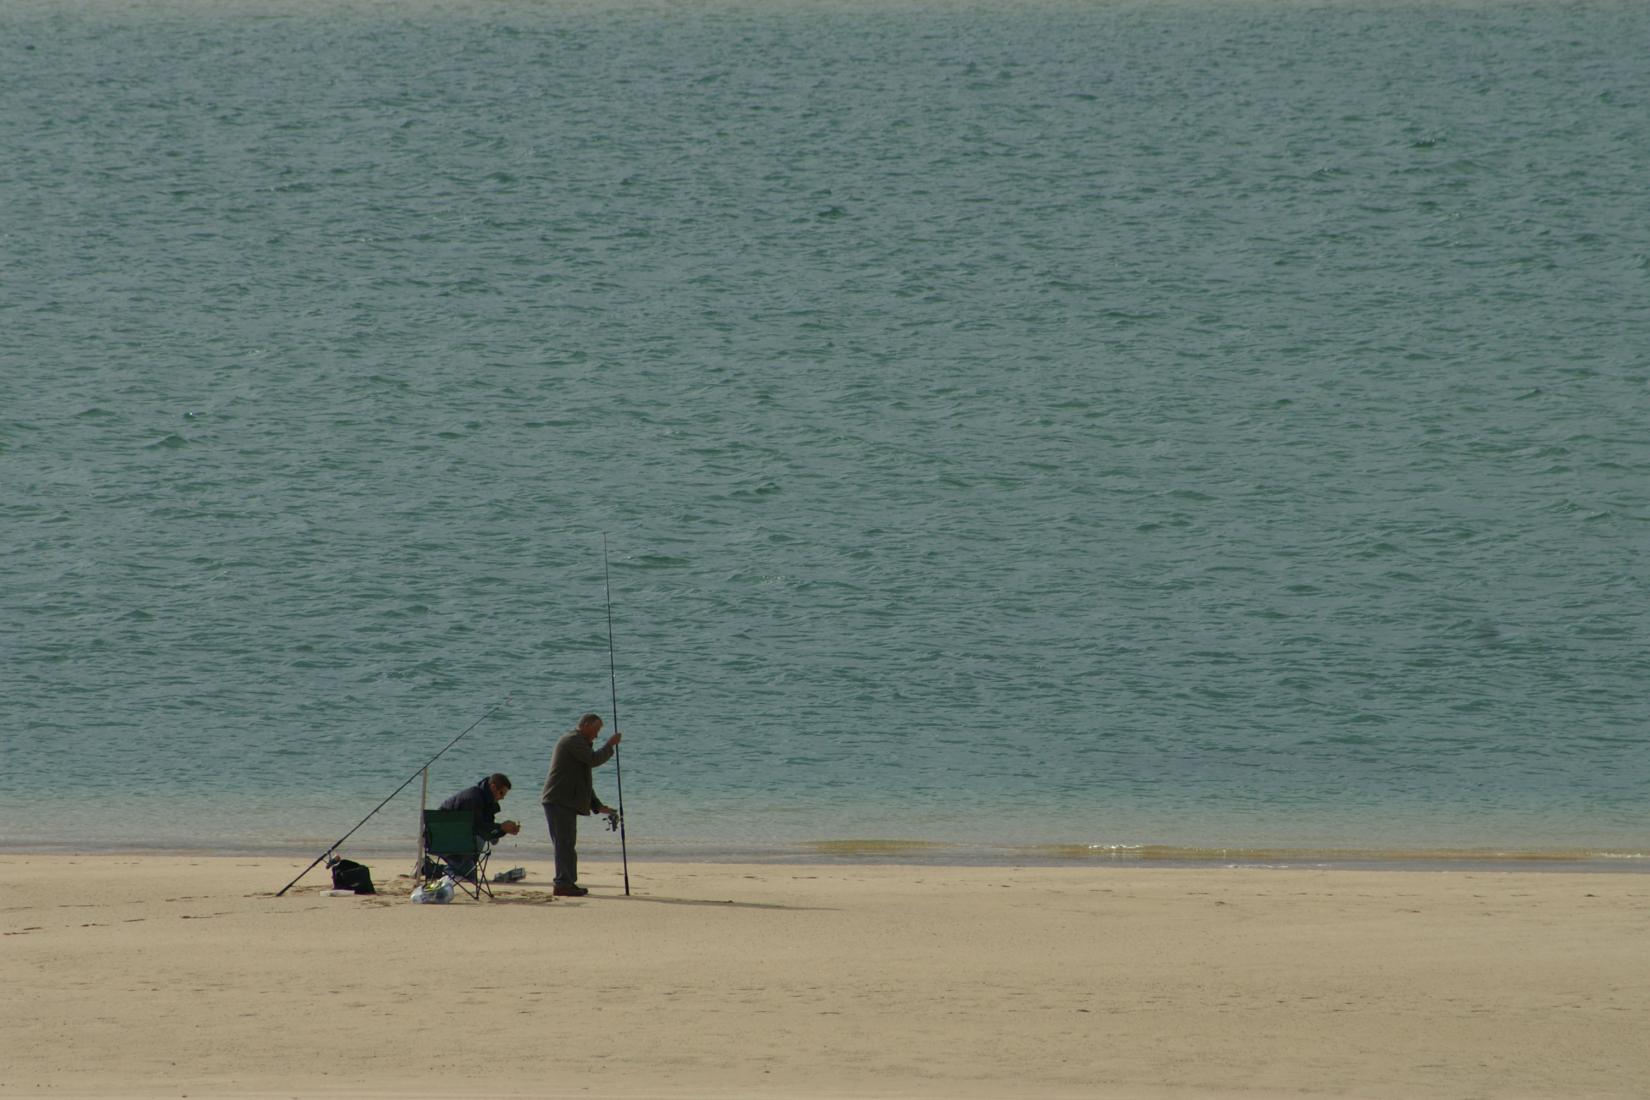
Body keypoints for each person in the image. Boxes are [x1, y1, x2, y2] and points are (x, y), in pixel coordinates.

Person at [540, 713, 621, 896]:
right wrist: (610, 745)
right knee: (564, 844)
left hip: (565, 801)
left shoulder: (580, 744)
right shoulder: (572, 741)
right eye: (596, 729)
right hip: (558, 800)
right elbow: (594, 760)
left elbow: (583, 781)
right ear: (585, 725)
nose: (597, 735)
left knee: (567, 843)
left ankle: (567, 882)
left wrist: (597, 805)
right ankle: (562, 883)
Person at [436, 773, 521, 880]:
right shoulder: (473, 798)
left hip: (456, 838)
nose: (502, 798)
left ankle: (456, 868)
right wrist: (501, 828)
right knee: (469, 874)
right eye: (501, 793)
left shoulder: (488, 802)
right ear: (493, 787)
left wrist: (502, 831)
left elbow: (487, 828)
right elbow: (479, 828)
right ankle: (428, 868)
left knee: (468, 872)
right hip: (442, 839)